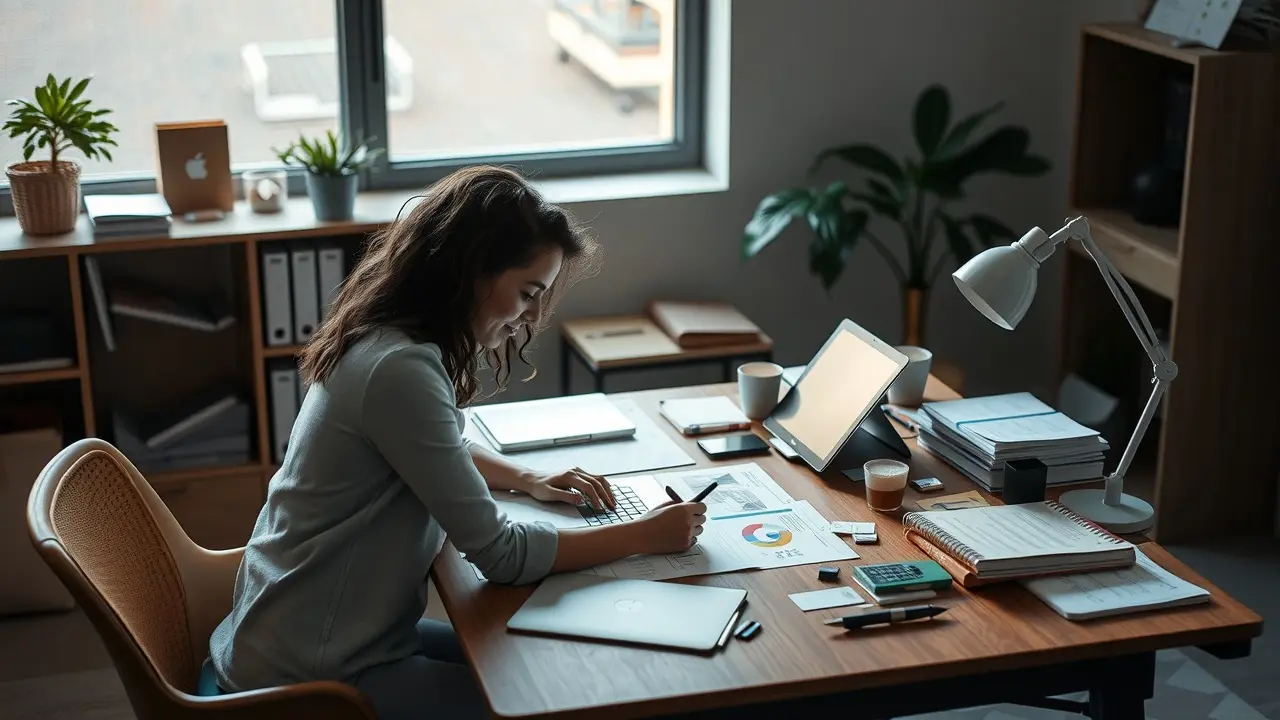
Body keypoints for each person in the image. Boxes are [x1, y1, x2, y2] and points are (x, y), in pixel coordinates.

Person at [208, 165, 707, 719]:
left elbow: (428, 449)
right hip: (316, 676)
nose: (531, 317)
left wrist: (528, 478)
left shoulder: (383, 340)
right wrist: (643, 534)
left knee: (538, 658)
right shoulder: (400, 370)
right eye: (528, 293)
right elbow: (502, 555)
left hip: (310, 636)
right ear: (472, 270)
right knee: (557, 695)